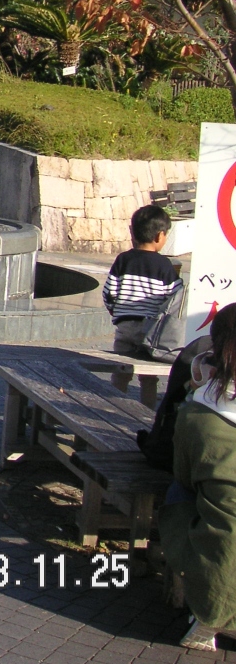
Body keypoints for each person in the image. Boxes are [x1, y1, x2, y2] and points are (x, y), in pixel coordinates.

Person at [160, 302, 236, 651]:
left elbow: (183, 473)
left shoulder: (199, 410)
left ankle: (206, 614)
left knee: (179, 491)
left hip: (220, 561)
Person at [103, 205, 182, 361]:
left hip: (124, 325)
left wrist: (116, 310)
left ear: (133, 232)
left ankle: (118, 377)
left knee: (120, 363)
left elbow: (109, 292)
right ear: (159, 236)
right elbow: (175, 297)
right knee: (148, 366)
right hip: (150, 327)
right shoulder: (164, 264)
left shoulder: (123, 259)